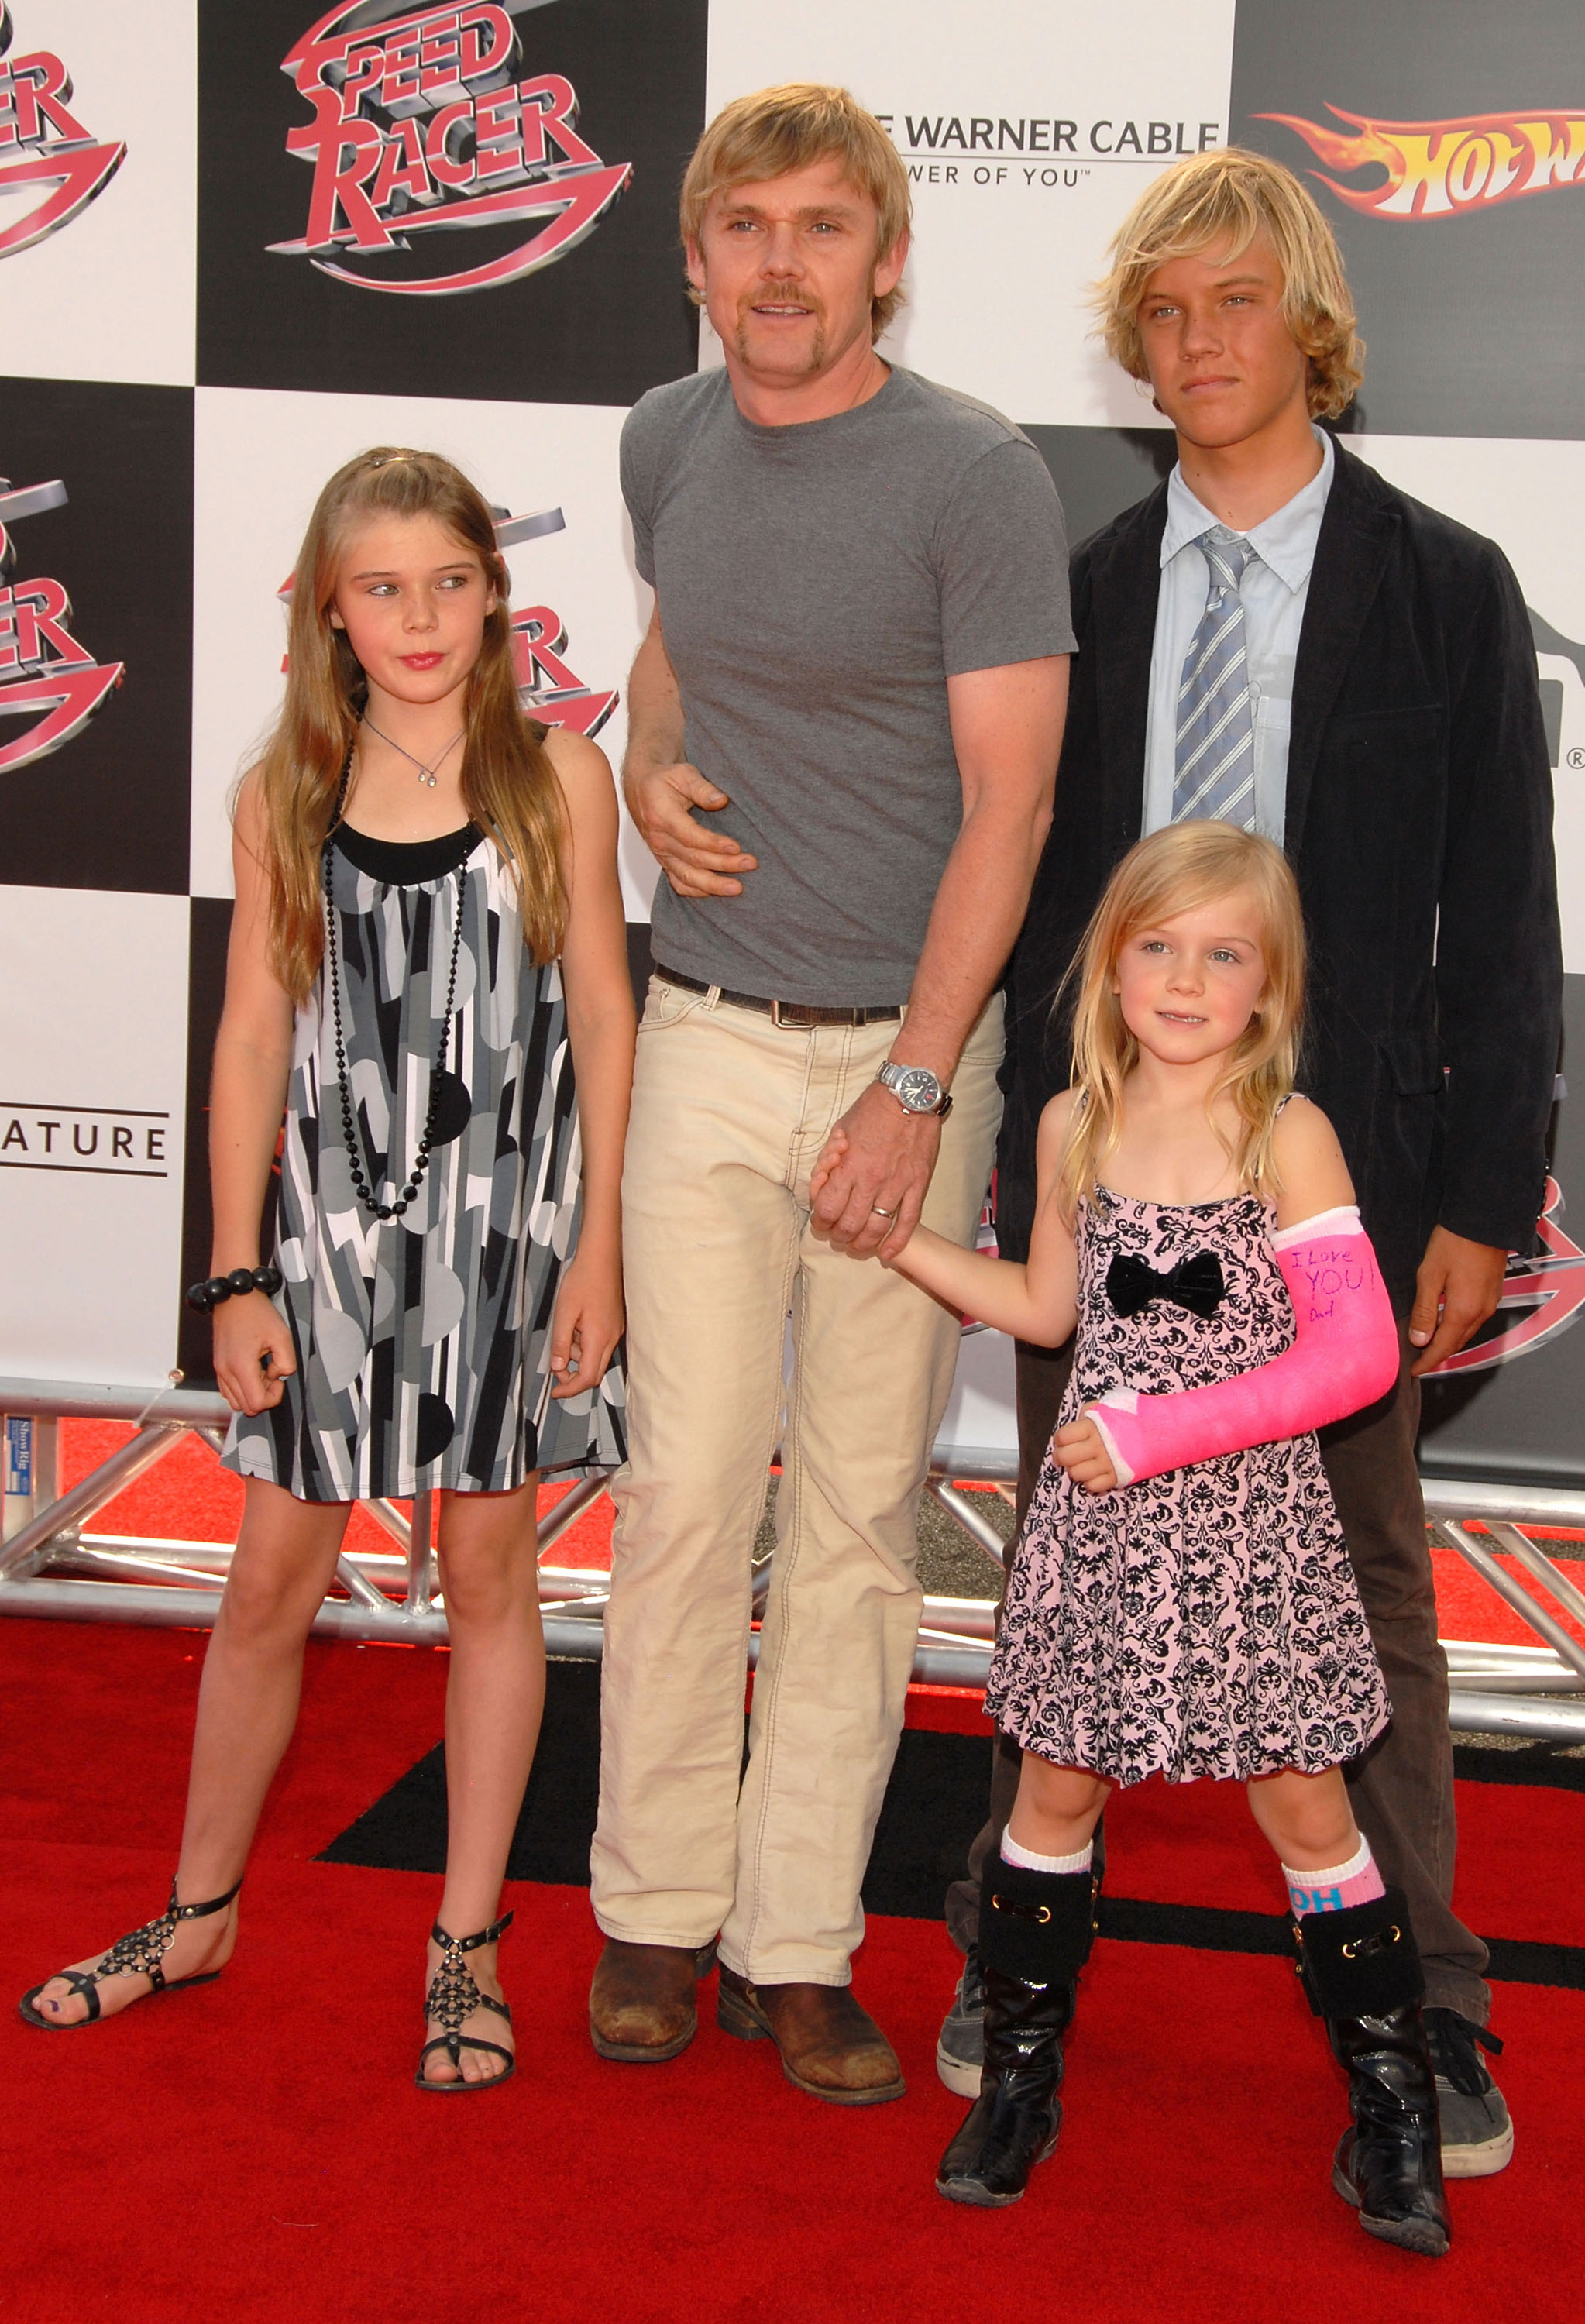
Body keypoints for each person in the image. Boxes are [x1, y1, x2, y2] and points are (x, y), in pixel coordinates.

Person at [939, 147, 1561, 2181]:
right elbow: (1024, 886)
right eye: (1165, 311)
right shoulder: (1080, 590)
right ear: (1136, 344)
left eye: (1235, 303)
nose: (1198, 343)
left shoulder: (1443, 586)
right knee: (1065, 1577)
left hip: (1338, 1193)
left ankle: (1431, 2011)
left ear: (1309, 324)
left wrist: (1477, 1193)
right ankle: (1011, 1963)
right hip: (1102, 1189)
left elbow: (1503, 916)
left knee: (1361, 1597)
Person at [19, 449, 635, 2092]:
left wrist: (602, 1248)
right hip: (324, 1253)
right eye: (382, 588)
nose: (419, 617)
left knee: (493, 1583)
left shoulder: (561, 777)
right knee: (266, 1592)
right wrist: (235, 1274)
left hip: (508, 1250)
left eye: (448, 580)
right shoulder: (282, 793)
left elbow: (603, 1020)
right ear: (327, 612)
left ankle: (466, 1945)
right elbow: (247, 1043)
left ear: (494, 597)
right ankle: (198, 1912)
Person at [586, 83, 1073, 2102]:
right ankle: (648, 1918)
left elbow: (1012, 801)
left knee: (865, 1521)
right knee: (688, 1493)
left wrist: (913, 1080)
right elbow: (678, 644)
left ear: (885, 254)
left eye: (818, 227)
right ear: (697, 258)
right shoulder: (662, 437)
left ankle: (798, 1943)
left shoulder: (973, 475)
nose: (777, 264)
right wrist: (638, 759)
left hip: (899, 1065)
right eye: (744, 228)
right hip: (699, 1029)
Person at [836, 821, 1449, 2251]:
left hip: (1252, 1536)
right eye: (1157, 946)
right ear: (1110, 965)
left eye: (1224, 953)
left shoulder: (1285, 1130)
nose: (1185, 978)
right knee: (1053, 1801)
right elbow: (1054, 1313)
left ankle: (1393, 2109)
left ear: (1270, 988)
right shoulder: (1070, 1126)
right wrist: (897, 1243)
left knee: (1308, 1811)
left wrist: (1158, 1434)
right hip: (1099, 1542)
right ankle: (1023, 2086)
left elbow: (1356, 1356)